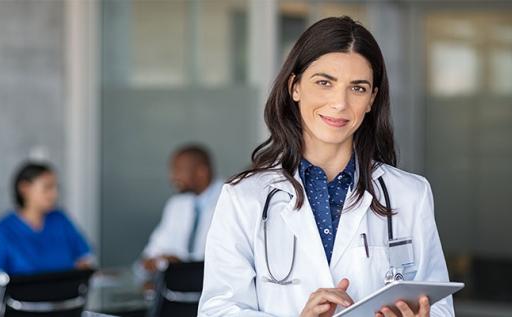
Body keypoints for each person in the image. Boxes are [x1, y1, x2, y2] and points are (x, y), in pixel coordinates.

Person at [198, 16, 453, 317]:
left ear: (371, 99)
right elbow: (217, 310)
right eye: (324, 83)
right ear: (295, 87)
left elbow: (439, 308)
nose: (339, 103)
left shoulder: (410, 194)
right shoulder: (244, 197)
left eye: (357, 88)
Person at [0, 162, 93, 277]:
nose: (55, 194)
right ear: (24, 188)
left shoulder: (61, 220)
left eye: (56, 188)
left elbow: (85, 259)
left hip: (67, 293)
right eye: (47, 187)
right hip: (22, 295)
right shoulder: (1, 231)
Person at [136, 144, 223, 276]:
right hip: (176, 290)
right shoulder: (176, 205)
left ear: (201, 172)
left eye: (178, 171)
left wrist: (182, 264)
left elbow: (224, 260)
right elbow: (150, 255)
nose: (172, 177)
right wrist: (157, 261)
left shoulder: (230, 200)